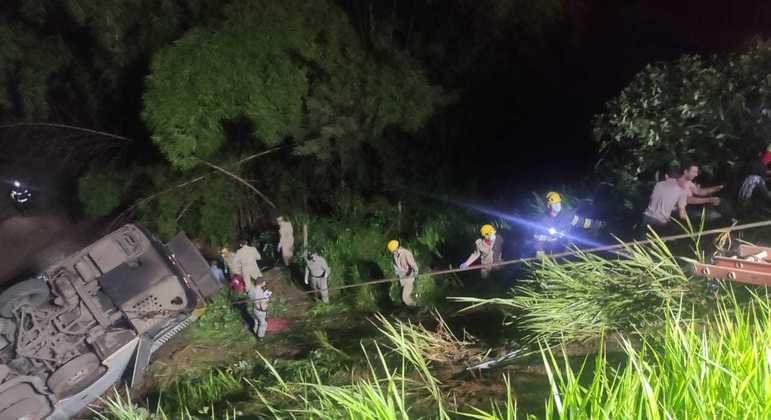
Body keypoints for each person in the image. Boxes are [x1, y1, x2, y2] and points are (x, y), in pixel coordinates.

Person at [533, 191, 606, 257]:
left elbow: (583, 222)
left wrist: (599, 224)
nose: (558, 205)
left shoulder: (567, 216)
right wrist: (540, 253)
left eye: (558, 203)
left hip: (566, 246)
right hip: (551, 250)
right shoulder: (544, 222)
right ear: (549, 206)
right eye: (555, 204)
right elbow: (539, 240)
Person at [388, 240, 418, 307]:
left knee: (405, 297)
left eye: (393, 251)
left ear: (396, 248)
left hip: (409, 277)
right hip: (402, 279)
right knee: (402, 297)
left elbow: (413, 265)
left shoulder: (406, 253)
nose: (393, 252)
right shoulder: (394, 255)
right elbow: (396, 267)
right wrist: (397, 273)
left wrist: (414, 274)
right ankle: (410, 310)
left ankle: (415, 307)